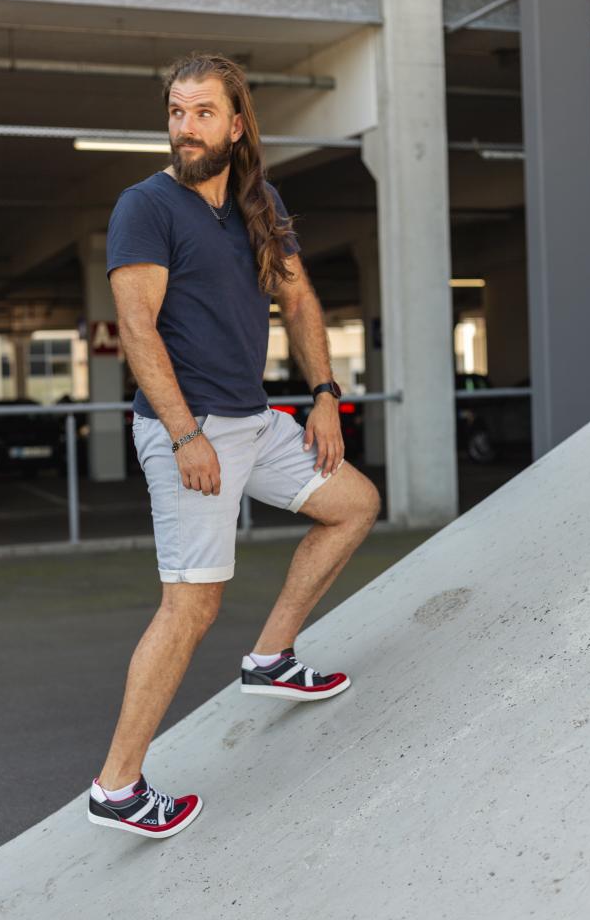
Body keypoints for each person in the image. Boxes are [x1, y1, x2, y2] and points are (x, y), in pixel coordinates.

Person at [88, 52, 381, 839]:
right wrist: (184, 433)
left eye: (202, 113)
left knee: (354, 504)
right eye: (176, 113)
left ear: (236, 123)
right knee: (191, 606)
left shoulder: (258, 199)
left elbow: (296, 293)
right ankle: (117, 787)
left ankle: (271, 658)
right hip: (191, 430)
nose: (185, 128)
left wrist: (324, 395)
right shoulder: (143, 207)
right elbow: (138, 329)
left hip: (254, 419)